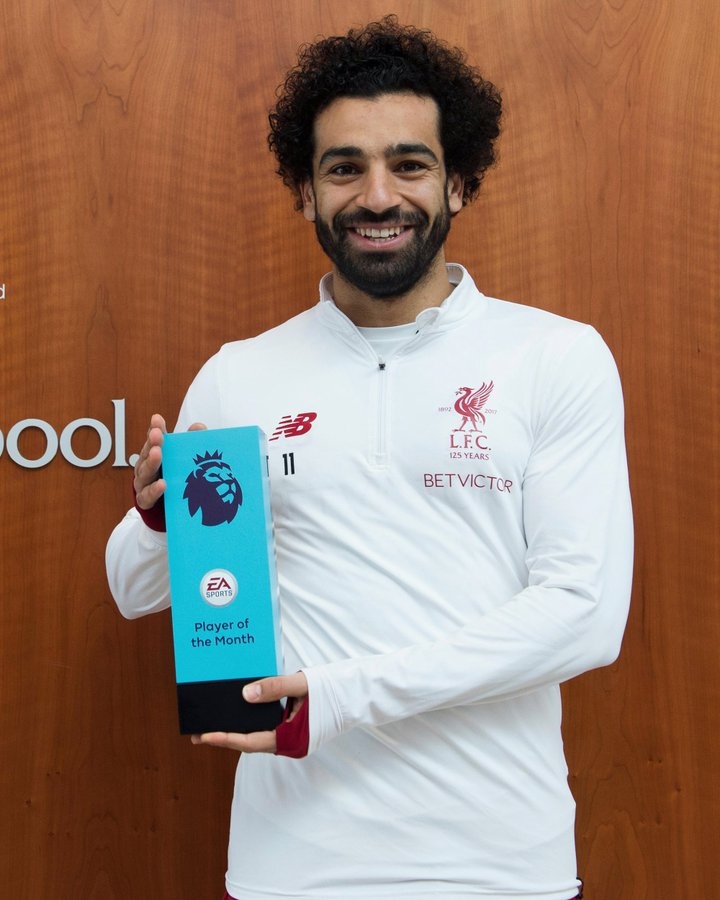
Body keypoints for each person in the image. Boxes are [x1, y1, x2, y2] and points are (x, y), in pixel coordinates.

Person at [106, 17, 632, 900]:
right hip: (290, 866)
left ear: (457, 181)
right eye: (344, 168)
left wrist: (343, 696)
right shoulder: (241, 374)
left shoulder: (555, 356)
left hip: (501, 867)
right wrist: (160, 522)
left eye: (409, 164)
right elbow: (133, 590)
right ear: (307, 191)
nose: (377, 196)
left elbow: (584, 616)